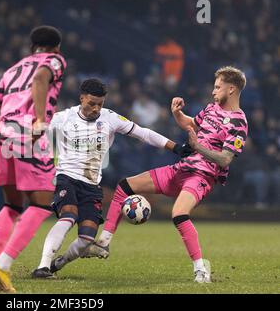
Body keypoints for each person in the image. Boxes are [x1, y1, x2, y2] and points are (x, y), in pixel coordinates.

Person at [84, 66, 248, 284]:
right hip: (181, 169)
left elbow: (226, 159)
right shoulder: (210, 109)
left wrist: (198, 147)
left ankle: (201, 269)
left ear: (231, 90)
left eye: (217, 87)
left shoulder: (239, 122)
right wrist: (177, 113)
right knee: (125, 186)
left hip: (201, 177)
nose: (213, 91)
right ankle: (103, 242)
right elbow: (190, 124)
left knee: (178, 214)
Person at [30, 78, 192, 278]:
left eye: (100, 104)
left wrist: (175, 147)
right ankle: (43, 266)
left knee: (86, 239)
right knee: (69, 216)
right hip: (67, 178)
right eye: (91, 103)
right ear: (81, 98)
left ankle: (56, 266)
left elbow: (144, 134)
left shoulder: (110, 118)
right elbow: (34, 130)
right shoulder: (63, 118)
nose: (96, 108)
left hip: (91, 185)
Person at [0, 25, 66, 292]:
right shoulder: (54, 60)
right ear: (57, 47)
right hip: (29, 134)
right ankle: (1, 266)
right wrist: (40, 120)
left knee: (12, 205)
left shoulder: (12, 69)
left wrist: (5, 130)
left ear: (32, 47)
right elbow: (41, 79)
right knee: (42, 203)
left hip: (5, 134)